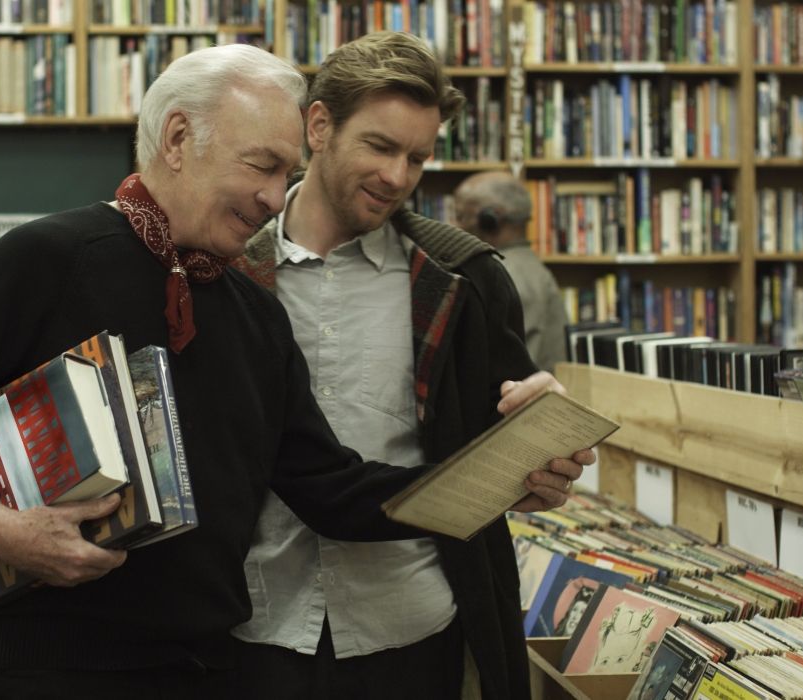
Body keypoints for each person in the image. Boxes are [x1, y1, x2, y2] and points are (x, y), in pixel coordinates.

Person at [0, 44, 583, 699]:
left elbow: (329, 487)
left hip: (212, 669)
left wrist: (501, 472)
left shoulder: (252, 308)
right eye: (261, 166)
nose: (272, 197)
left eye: (286, 174)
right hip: (54, 667)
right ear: (177, 139)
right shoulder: (49, 259)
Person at [231, 32, 593, 700]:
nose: (397, 177)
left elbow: (505, 436)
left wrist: (542, 457)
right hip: (253, 629)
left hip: (411, 627)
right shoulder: (226, 269)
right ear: (318, 125)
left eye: (417, 158)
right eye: (379, 146)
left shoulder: (465, 281)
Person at [455, 171, 569, 370]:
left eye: (462, 216)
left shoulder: (502, 277)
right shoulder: (530, 268)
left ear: (490, 219)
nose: (456, 226)